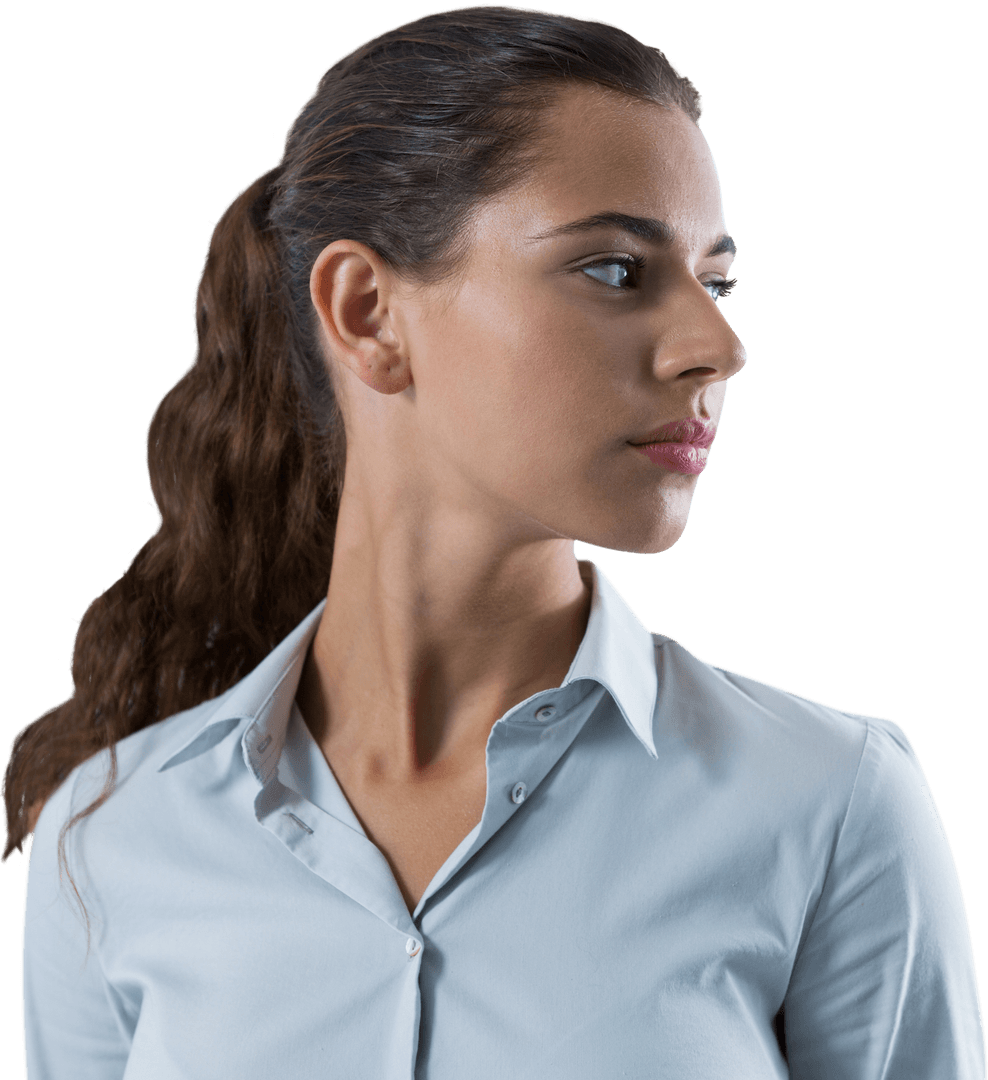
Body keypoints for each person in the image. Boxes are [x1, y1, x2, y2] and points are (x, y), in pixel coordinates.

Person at [4, 5, 984, 1078]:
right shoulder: (112, 844)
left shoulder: (828, 804)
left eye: (714, 281)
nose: (719, 347)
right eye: (615, 269)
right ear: (369, 311)